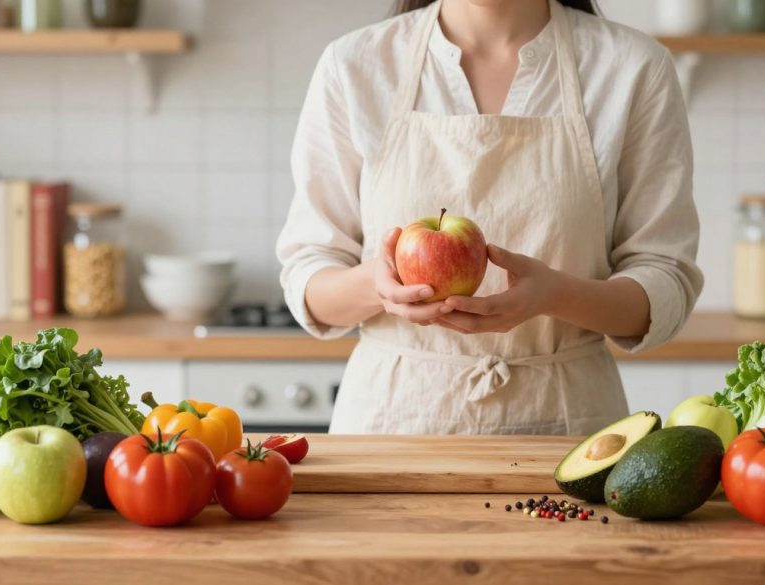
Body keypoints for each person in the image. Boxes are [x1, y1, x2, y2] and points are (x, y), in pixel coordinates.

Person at [276, 0, 703, 435]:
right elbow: (309, 278)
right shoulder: (355, 65)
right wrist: (379, 286)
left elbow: (666, 281)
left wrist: (556, 296)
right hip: (392, 427)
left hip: (568, 430)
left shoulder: (632, 67)